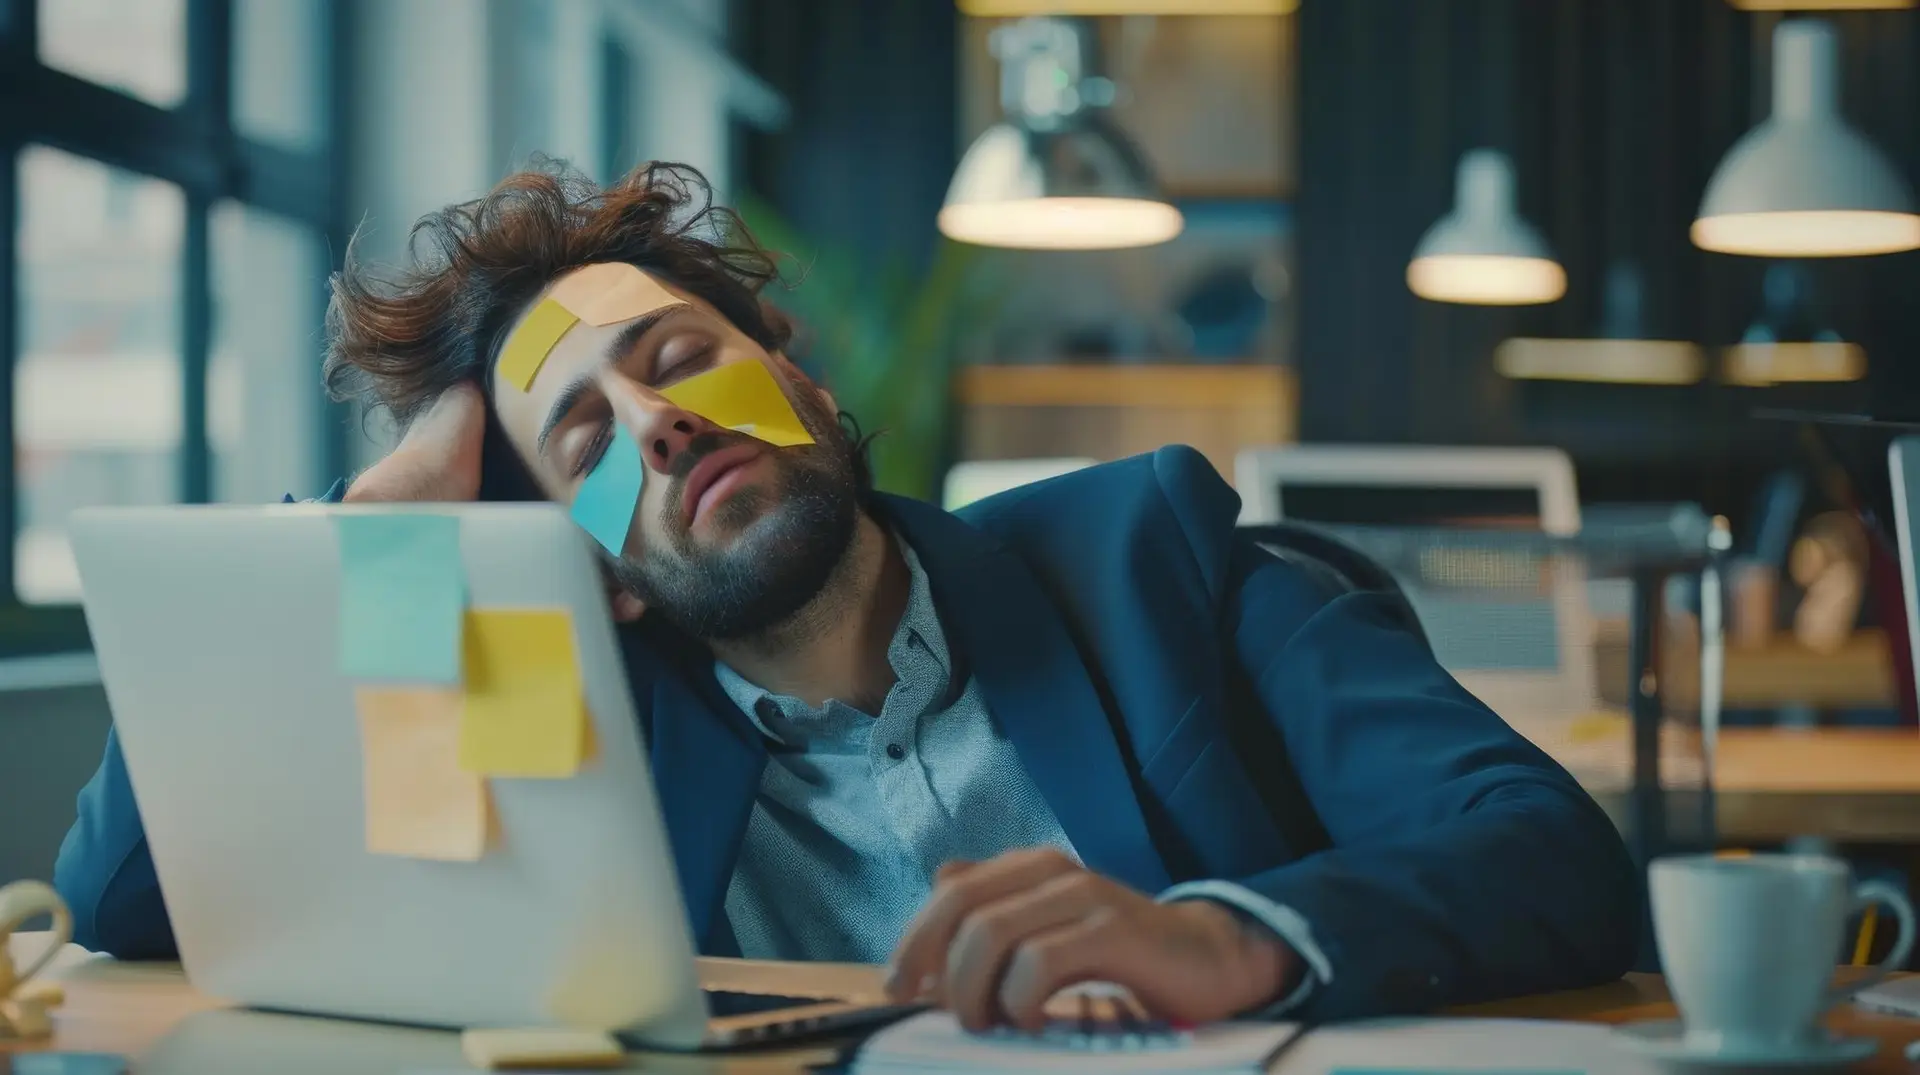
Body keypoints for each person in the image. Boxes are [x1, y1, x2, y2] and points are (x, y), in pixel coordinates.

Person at [54, 161, 1640, 1029]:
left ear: (799, 382)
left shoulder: (1153, 557)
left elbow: (1549, 847)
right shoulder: (554, 720)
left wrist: (1228, 938)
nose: (658, 422)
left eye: (681, 358)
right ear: (588, 574)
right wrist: (388, 517)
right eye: (585, 440)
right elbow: (132, 902)